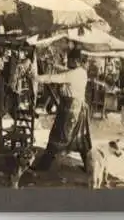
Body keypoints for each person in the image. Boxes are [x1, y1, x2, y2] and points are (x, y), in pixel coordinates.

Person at [34, 41, 91, 171]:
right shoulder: (82, 71)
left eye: (69, 60)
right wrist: (54, 65)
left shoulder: (73, 74)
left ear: (75, 61)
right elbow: (65, 70)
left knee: (58, 135)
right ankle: (88, 166)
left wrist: (36, 78)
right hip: (79, 108)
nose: (68, 63)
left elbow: (54, 78)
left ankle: (44, 165)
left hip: (70, 109)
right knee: (81, 138)